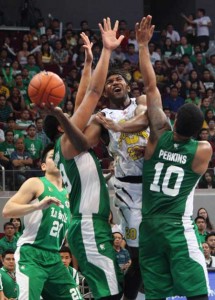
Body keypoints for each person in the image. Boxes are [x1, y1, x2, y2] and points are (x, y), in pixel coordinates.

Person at [43, 19, 124, 300]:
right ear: (60, 127)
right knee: (111, 294)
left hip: (90, 224)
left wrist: (88, 64)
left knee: (112, 290)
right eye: (67, 117)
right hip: (88, 225)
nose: (74, 114)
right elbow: (91, 95)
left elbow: (82, 100)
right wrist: (107, 50)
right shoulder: (67, 142)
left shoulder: (67, 145)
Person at [137, 15, 212, 299]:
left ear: (175, 119)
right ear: (198, 131)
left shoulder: (158, 134)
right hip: (176, 227)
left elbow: (151, 88)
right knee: (197, 292)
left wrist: (143, 46)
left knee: (155, 293)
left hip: (149, 227)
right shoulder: (202, 151)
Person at [2, 144, 84, 300]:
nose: (58, 158)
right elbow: (7, 210)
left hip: (54, 257)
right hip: (31, 255)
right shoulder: (36, 183)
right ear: (44, 165)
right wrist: (37, 206)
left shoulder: (68, 194)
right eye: (53, 156)